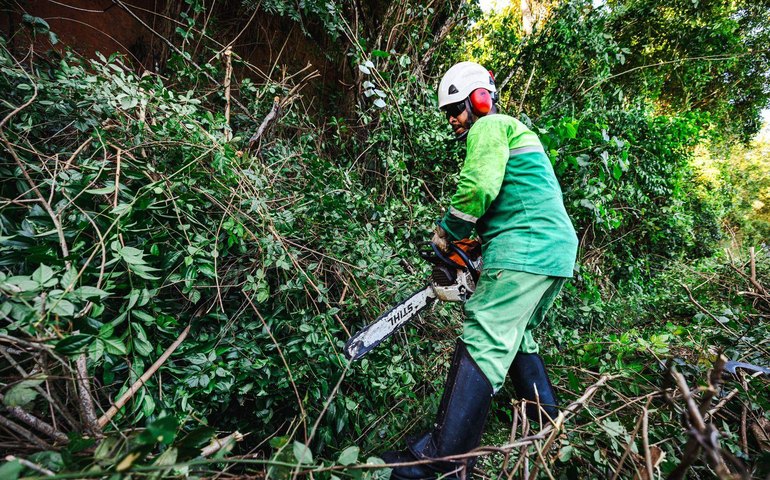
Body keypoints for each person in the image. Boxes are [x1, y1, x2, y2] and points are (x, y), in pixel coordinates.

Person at [381, 61, 578, 479]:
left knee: (485, 334)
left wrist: (447, 233)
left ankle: (440, 461)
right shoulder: (516, 132)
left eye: (456, 108)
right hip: (553, 250)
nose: (453, 119)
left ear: (480, 99)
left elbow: (479, 187)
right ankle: (548, 427)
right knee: (516, 335)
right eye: (448, 113)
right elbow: (511, 201)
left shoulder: (490, 127)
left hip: (527, 246)